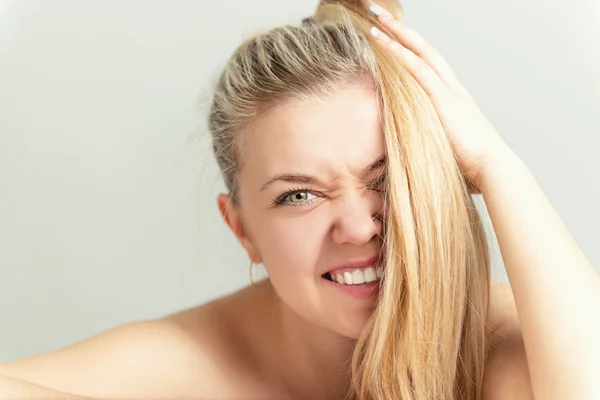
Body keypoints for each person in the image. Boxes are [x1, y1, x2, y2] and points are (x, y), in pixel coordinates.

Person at [2, 1, 599, 399]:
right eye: (299, 195)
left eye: (387, 179)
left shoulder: (510, 337)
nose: (360, 226)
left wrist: (497, 166)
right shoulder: (194, 362)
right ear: (243, 232)